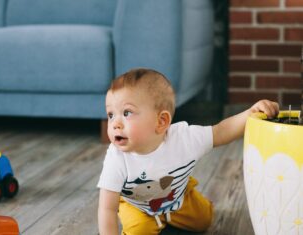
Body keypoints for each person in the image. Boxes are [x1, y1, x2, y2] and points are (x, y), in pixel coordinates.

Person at [97, 68, 279, 235]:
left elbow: (221, 131)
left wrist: (250, 113)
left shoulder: (184, 139)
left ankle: (187, 189)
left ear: (161, 122)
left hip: (177, 199)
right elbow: (107, 208)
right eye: (111, 114)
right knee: (139, 231)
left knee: (204, 220)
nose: (115, 123)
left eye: (127, 113)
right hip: (137, 205)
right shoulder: (117, 157)